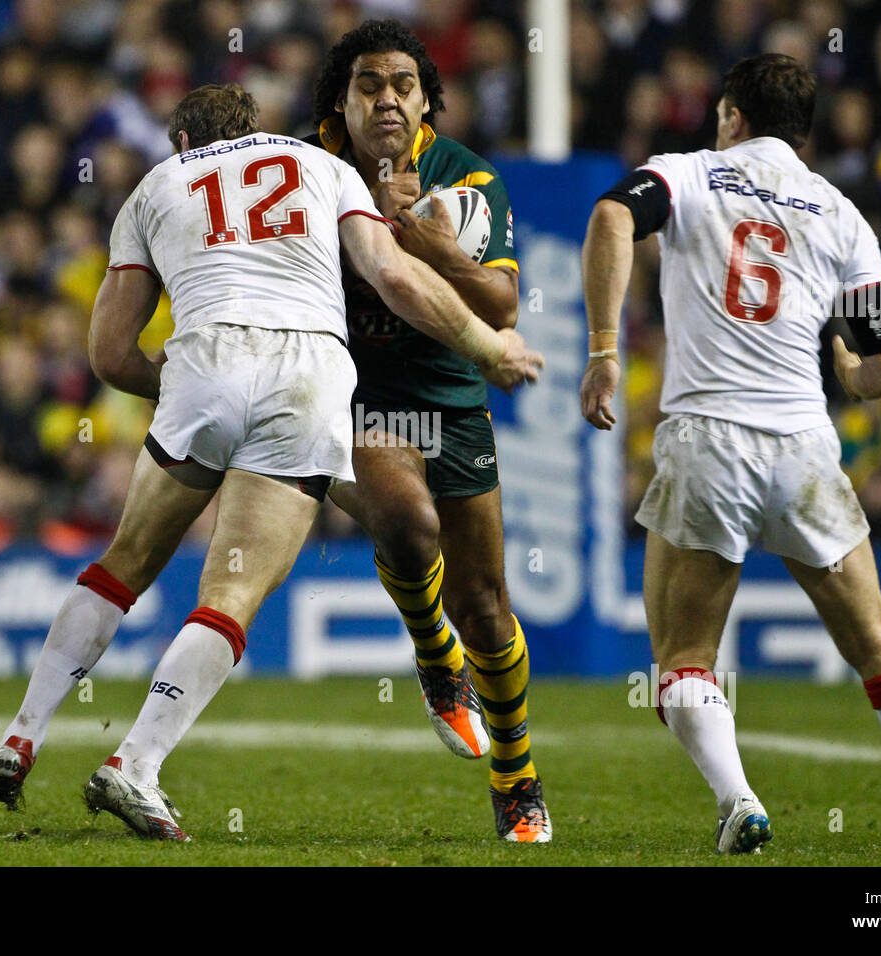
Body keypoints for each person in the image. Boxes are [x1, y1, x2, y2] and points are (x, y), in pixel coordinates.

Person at [0, 83, 543, 840]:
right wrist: (486, 344)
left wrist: (180, 389)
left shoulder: (155, 186)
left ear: (183, 143)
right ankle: (134, 764)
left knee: (125, 563)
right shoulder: (317, 165)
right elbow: (397, 280)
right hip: (306, 376)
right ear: (255, 129)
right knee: (232, 592)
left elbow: (110, 354)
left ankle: (20, 736)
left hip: (203, 363)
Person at [579, 53, 881, 856]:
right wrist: (844, 367)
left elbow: (609, 220)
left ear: (731, 115)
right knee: (879, 645)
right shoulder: (841, 214)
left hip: (708, 439)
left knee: (684, 658)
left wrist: (605, 349)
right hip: (805, 447)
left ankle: (739, 801)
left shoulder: (685, 175)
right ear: (804, 132)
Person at [306, 19, 552, 844]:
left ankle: (516, 774)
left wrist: (434, 247)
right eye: (369, 85)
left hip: (452, 394)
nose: (387, 100)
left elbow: (501, 307)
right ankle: (432, 655)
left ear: (426, 100)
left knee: (485, 606)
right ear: (340, 99)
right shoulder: (308, 170)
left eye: (403, 85)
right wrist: (367, 221)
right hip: (360, 394)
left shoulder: (466, 175)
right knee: (409, 528)